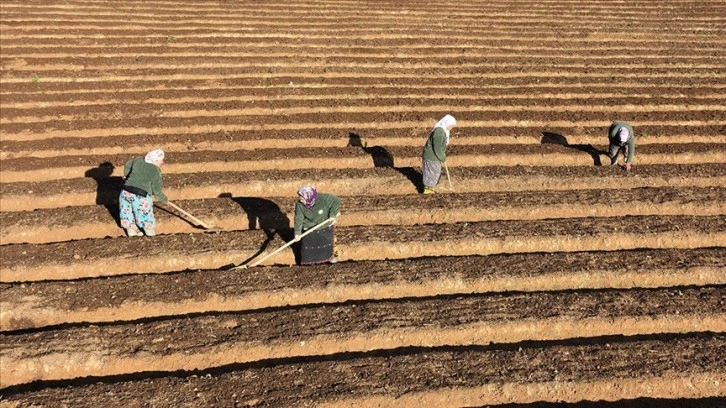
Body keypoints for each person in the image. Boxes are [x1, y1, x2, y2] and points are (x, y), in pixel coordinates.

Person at [119, 149, 168, 236]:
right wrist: (164, 199)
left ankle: (132, 234)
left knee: (127, 214)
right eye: (161, 160)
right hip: (140, 196)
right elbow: (157, 191)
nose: (162, 162)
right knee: (145, 217)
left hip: (125, 192)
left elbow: (127, 165)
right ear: (155, 160)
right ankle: (151, 236)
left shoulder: (138, 160)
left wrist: (127, 177)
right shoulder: (155, 171)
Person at [293, 186, 341, 265]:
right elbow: (298, 218)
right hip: (309, 228)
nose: (300, 200)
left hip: (325, 226)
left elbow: (336, 200)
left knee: (329, 246)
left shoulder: (323, 198)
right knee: (309, 248)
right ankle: (309, 264)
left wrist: (332, 214)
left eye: (302, 198)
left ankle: (332, 261)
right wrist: (297, 233)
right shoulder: (299, 205)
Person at [421, 114, 457, 194]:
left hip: (435, 157)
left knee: (435, 173)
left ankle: (430, 190)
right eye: (451, 126)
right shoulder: (439, 132)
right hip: (431, 157)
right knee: (432, 173)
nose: (451, 128)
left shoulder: (443, 131)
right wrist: (442, 157)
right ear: (447, 123)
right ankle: (428, 192)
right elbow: (437, 148)